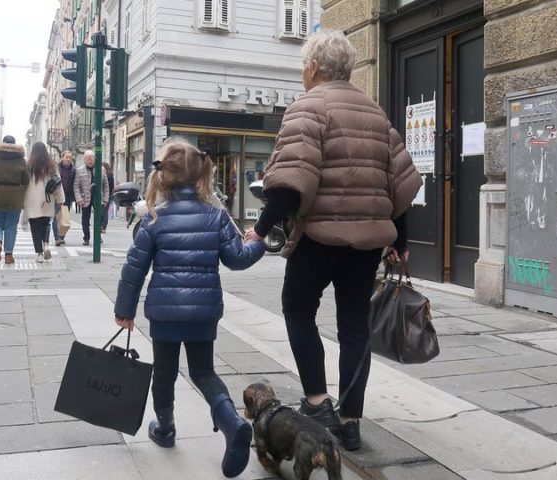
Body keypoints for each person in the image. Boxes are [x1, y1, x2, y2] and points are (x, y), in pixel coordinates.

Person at [245, 31, 422, 452]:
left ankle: (318, 401)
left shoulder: (307, 107)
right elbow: (399, 182)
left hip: (319, 237)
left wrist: (259, 227)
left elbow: (289, 182)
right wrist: (401, 237)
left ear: (313, 68)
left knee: (298, 307)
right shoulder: (376, 113)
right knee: (355, 324)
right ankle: (351, 420)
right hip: (367, 243)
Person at [114, 138, 265, 478]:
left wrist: (125, 309)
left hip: (165, 314)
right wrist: (257, 243)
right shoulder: (217, 216)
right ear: (201, 177)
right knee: (204, 372)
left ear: (163, 177)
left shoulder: (154, 218)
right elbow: (237, 259)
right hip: (203, 312)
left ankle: (165, 429)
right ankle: (232, 422)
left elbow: (133, 269)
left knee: (164, 374)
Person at [0, 135, 29, 265]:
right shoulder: (20, 160)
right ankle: (8, 255)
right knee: (11, 226)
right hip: (15, 196)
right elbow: (26, 180)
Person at [23, 142, 65, 263]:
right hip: (47, 199)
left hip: (32, 200)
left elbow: (24, 184)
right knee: (46, 224)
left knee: (35, 228)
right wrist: (61, 199)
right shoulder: (51, 165)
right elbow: (58, 183)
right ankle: (46, 244)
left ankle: (39, 254)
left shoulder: (28, 166)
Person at [72, 150, 108, 246]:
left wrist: (105, 199)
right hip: (85, 199)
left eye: (91, 159)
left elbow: (106, 185)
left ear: (94, 159)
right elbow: (76, 186)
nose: (89, 161)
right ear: (84, 160)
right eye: (87, 159)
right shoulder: (79, 170)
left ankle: (97, 235)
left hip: (98, 198)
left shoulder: (102, 169)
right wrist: (79, 199)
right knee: (85, 219)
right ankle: (86, 238)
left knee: (100, 217)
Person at [52, 150, 76, 246]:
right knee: (55, 217)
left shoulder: (73, 170)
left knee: (64, 217)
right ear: (62, 157)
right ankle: (57, 238)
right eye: (67, 157)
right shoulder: (56, 168)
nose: (68, 159)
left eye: (70, 157)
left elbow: (75, 183)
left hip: (68, 197)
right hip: (57, 196)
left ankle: (62, 236)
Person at [101, 161, 115, 234]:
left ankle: (102, 225)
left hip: (103, 195)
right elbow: (112, 186)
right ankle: (104, 226)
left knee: (102, 211)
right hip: (109, 195)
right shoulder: (110, 175)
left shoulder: (103, 175)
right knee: (105, 211)